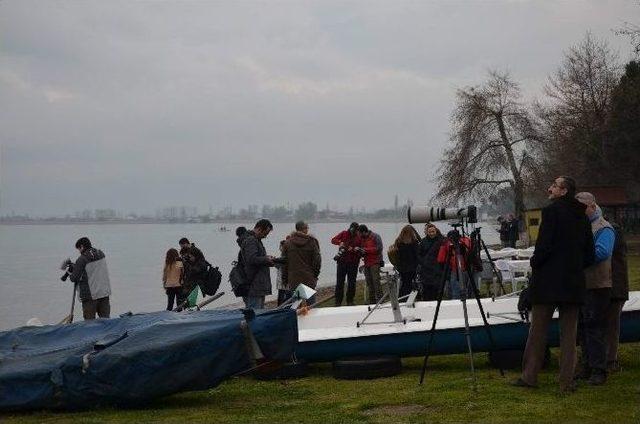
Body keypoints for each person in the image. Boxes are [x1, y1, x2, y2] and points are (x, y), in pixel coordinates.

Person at [512, 176, 594, 393]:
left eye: (554, 186)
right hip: (573, 281)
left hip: (548, 281)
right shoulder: (583, 216)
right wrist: (574, 266)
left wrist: (534, 262)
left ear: (564, 191)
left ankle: (530, 376)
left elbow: (543, 247)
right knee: (569, 335)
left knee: (538, 331)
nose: (549, 188)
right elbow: (590, 254)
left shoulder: (551, 212)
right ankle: (566, 382)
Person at [574, 194, 616, 385]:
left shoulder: (603, 228)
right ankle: (587, 365)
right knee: (582, 328)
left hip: (598, 285)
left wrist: (576, 257)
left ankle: (599, 369)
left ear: (592, 206)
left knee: (595, 328)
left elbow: (602, 252)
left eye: (583, 207)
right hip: (583, 285)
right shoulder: (581, 227)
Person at [68, 237, 112, 320]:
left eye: (79, 249)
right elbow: (93, 270)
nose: (79, 252)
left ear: (82, 246)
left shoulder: (82, 259)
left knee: (89, 324)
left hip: (90, 297)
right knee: (106, 322)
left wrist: (70, 271)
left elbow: (74, 278)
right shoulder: (101, 254)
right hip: (104, 293)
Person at [606, 221, 629, 372]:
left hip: (614, 287)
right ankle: (609, 359)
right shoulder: (614, 231)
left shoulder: (611, 232)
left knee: (611, 325)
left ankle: (610, 360)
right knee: (611, 325)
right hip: (615, 286)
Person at [282, 221, 322, 305]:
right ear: (304, 229)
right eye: (307, 228)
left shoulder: (288, 243)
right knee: (311, 306)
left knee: (296, 306)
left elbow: (284, 262)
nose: (307, 230)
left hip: (294, 278)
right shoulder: (312, 242)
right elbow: (317, 260)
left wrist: (285, 279)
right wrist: (315, 275)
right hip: (308, 278)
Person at [241, 219, 275, 309]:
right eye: (265, 234)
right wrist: (266, 259)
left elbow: (256, 258)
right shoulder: (251, 241)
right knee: (254, 314)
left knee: (257, 313)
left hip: (257, 284)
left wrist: (268, 260)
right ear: (259, 229)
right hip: (254, 285)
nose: (265, 236)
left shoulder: (256, 240)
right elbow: (251, 259)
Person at [331, 222, 362, 306]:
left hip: (353, 263)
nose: (353, 231)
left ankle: (350, 300)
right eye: (352, 229)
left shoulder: (359, 238)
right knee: (340, 282)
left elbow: (361, 251)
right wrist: (339, 242)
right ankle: (338, 301)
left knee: (352, 282)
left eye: (354, 230)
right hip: (342, 262)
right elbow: (333, 240)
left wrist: (355, 249)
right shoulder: (344, 233)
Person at [417, 223, 445, 301]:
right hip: (426, 271)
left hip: (437, 270)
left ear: (436, 231)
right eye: (430, 232)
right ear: (427, 232)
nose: (432, 233)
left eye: (433, 231)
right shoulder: (423, 242)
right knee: (427, 291)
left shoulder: (441, 241)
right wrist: (423, 263)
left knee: (436, 291)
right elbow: (419, 255)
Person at [393, 225, 421, 298]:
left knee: (405, 283)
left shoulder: (398, 242)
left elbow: (397, 256)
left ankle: (403, 297)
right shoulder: (414, 242)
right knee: (411, 283)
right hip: (412, 267)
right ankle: (411, 297)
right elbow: (417, 255)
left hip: (402, 267)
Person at [358, 224, 383, 303]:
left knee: (376, 281)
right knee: (369, 282)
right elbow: (362, 251)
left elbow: (379, 248)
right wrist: (360, 251)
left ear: (364, 232)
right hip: (367, 263)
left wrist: (366, 250)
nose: (359, 235)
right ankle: (372, 301)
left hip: (375, 262)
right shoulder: (362, 239)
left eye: (360, 233)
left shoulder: (376, 236)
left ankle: (380, 299)